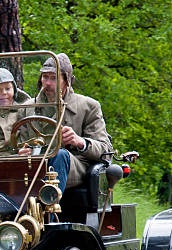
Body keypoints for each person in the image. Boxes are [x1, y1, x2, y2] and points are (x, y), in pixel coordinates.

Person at [23, 53, 113, 192]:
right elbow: (16, 143)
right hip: (34, 164)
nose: (47, 83)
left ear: (67, 81)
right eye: (45, 77)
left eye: (54, 78)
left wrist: (80, 142)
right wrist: (21, 151)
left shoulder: (88, 106)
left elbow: (105, 150)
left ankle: (49, 208)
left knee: (59, 155)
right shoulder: (27, 108)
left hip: (74, 166)